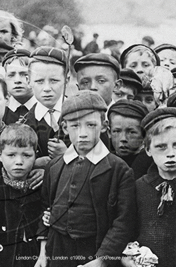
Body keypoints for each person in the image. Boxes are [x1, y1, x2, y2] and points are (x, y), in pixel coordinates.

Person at [34, 90, 137, 267]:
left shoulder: (118, 169)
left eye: (90, 125)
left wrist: (101, 260)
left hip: (94, 251)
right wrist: (43, 253)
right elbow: (46, 208)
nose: (82, 133)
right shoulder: (55, 166)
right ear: (65, 128)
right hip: (58, 251)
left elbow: (124, 221)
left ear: (104, 126)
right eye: (75, 126)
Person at [0, 124, 42, 267]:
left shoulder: (42, 188)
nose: (18, 162)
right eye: (11, 155)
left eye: (26, 155)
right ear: (0, 155)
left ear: (36, 154)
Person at [121, 108, 176, 267]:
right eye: (161, 146)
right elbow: (127, 230)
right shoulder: (139, 187)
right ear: (147, 149)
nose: (170, 153)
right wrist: (128, 258)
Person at [25, 46, 68, 166]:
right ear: (28, 81)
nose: (47, 88)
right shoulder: (24, 124)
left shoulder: (81, 116)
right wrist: (33, 165)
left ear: (67, 80)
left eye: (54, 80)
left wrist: (68, 155)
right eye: (39, 81)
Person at [108, 99, 153, 179]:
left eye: (131, 132)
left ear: (144, 134)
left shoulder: (152, 164)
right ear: (109, 132)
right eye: (117, 131)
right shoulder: (104, 164)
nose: (123, 139)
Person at [2, 48, 37, 124]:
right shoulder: (1, 112)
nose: (17, 80)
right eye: (11, 75)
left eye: (24, 74)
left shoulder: (45, 108)